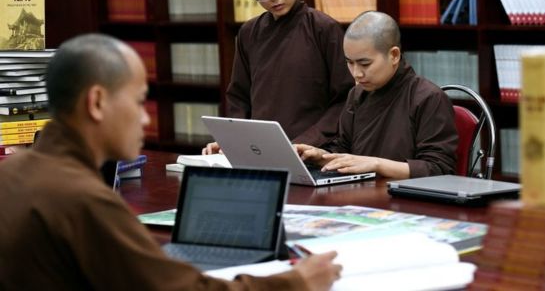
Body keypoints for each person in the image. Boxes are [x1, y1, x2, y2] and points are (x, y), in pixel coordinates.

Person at [0, 34, 341, 290]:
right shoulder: (82, 199)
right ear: (97, 102)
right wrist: (296, 282)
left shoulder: (11, 172)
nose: (145, 120)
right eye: (137, 102)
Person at [203, 0, 353, 155]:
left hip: (311, 151)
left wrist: (306, 141)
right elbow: (239, 97)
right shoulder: (248, 33)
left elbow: (344, 99)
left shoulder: (324, 29)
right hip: (258, 152)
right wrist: (232, 140)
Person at [296, 11, 458, 179]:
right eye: (349, 63)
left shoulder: (428, 98)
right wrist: (320, 156)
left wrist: (376, 165)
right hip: (358, 194)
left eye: (365, 64)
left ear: (394, 55)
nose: (356, 74)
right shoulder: (357, 94)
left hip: (408, 199)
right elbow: (344, 151)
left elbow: (439, 169)